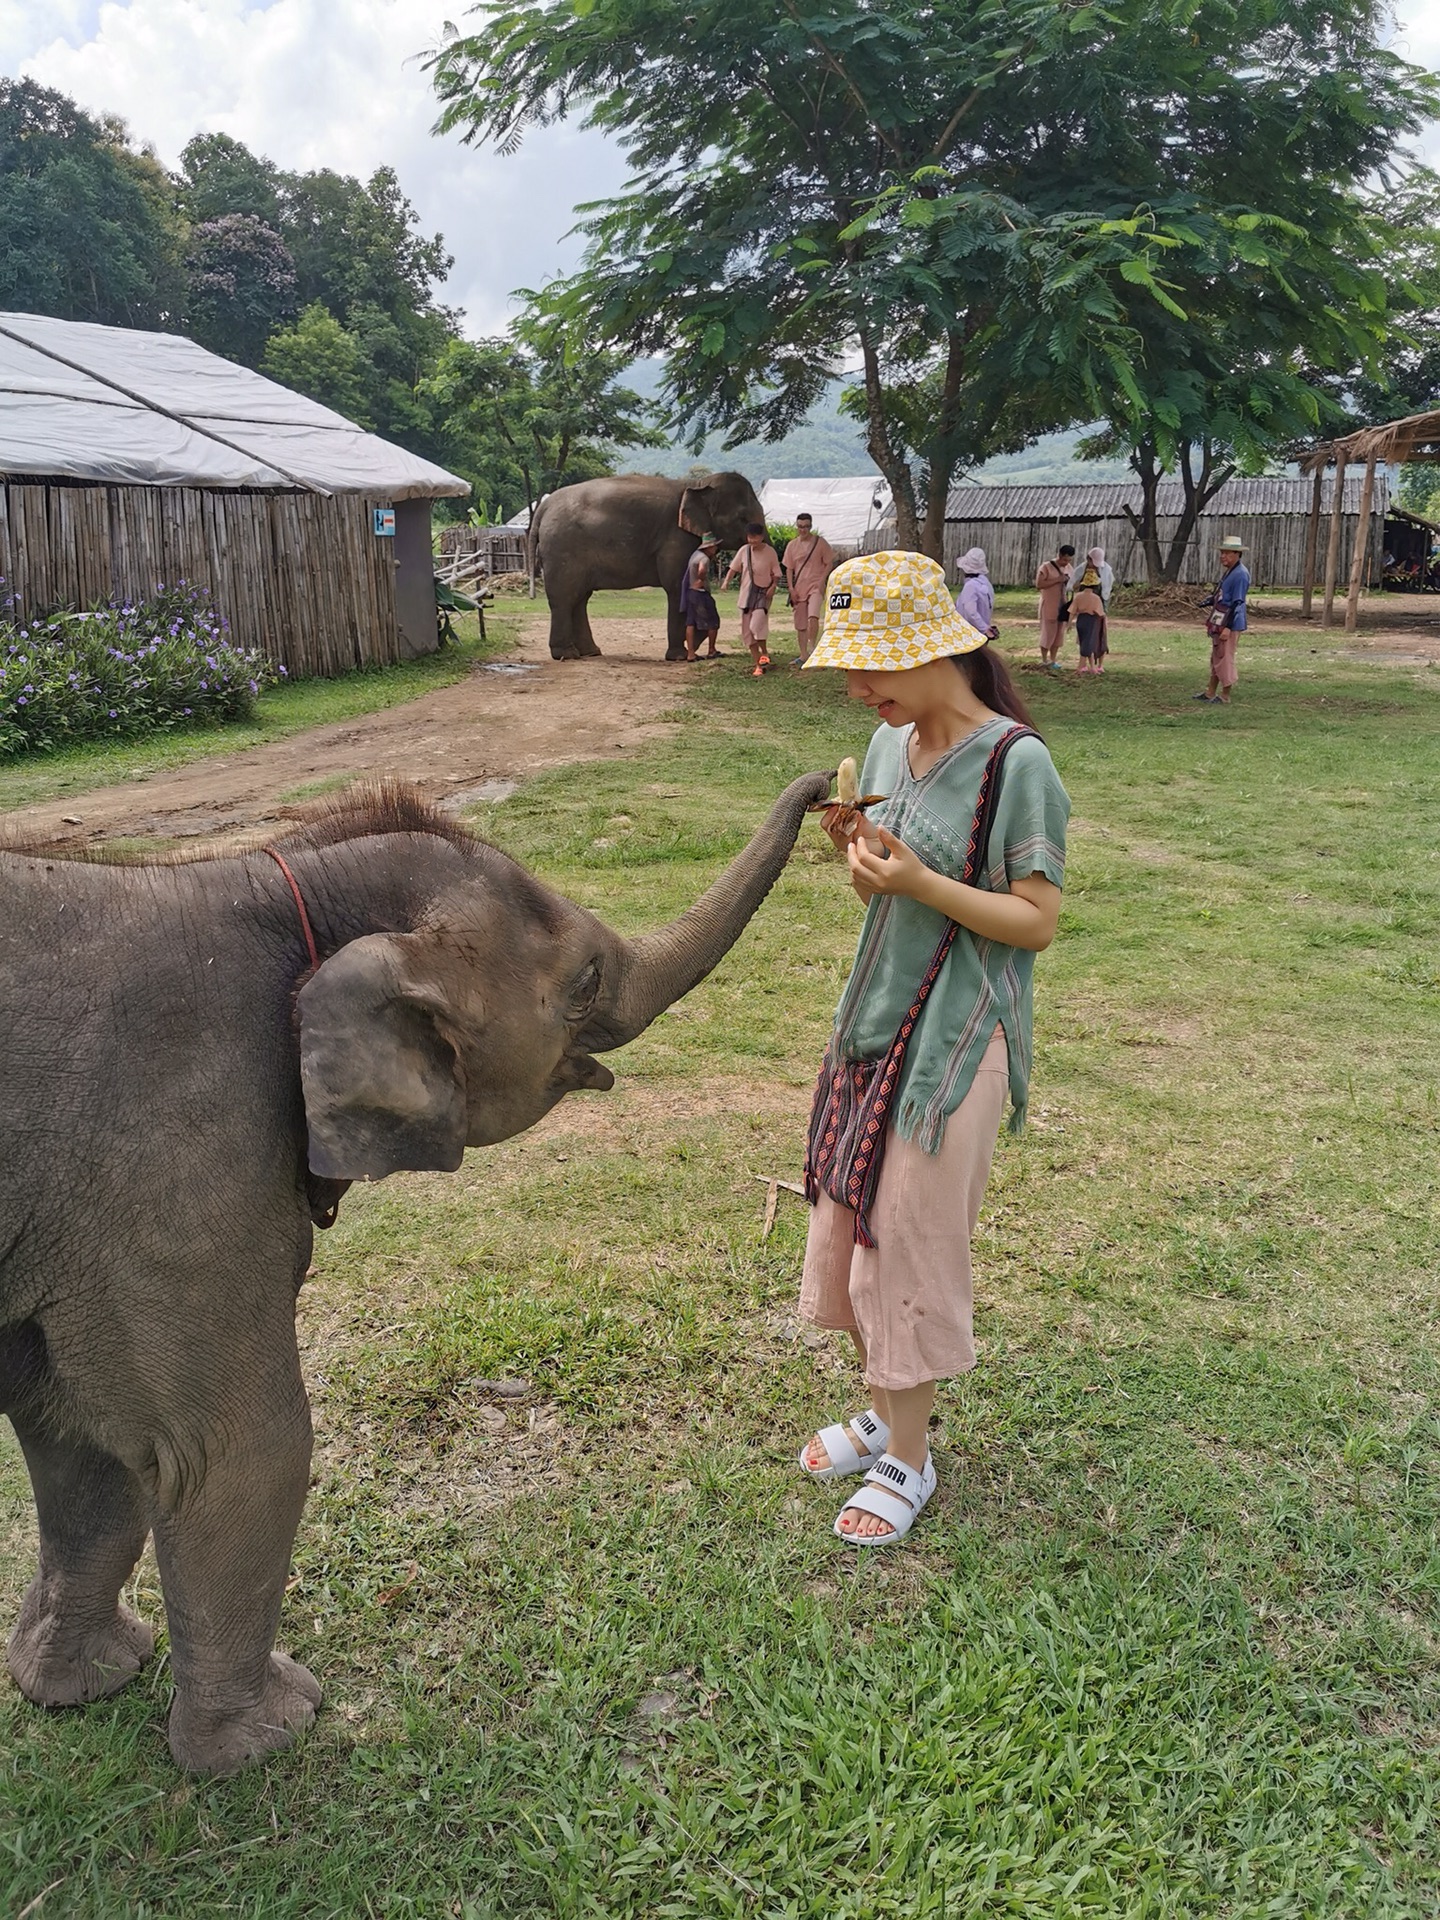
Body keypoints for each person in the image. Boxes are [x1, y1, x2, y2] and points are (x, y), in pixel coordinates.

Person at [796, 551, 1069, 1544]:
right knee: (857, 1218)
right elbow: (887, 884)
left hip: (956, 1043)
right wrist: (867, 869)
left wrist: (916, 884)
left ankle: (908, 1461)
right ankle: (889, 1414)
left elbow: (1034, 921)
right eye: (849, 672)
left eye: (871, 670)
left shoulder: (1015, 764)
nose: (857, 689)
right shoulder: (883, 750)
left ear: (934, 650)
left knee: (907, 1241)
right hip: (875, 1022)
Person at [1195, 535, 1250, 706]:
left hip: (1229, 622)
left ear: (1237, 554)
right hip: (1221, 619)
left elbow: (1237, 603)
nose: (1223, 556)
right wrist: (1210, 600)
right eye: (1222, 553)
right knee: (1217, 656)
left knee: (1225, 657)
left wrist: (1228, 627)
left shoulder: (1240, 574)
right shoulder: (1230, 572)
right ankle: (1210, 692)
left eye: (1226, 553)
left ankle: (1225, 695)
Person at [724, 521, 783, 676]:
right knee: (748, 634)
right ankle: (759, 663)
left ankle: (764, 653)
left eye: (755, 537)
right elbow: (733, 568)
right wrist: (726, 582)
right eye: (750, 537)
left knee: (756, 626)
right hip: (746, 595)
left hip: (762, 594)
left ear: (762, 537)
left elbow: (776, 573)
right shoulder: (744, 551)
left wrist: (772, 587)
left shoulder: (770, 552)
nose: (752, 541)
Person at [783, 512, 837, 662]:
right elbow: (789, 568)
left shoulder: (820, 543)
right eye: (800, 527)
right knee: (800, 623)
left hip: (815, 585)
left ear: (811, 526)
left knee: (813, 615)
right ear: (797, 526)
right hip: (799, 587)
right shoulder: (792, 545)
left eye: (806, 527)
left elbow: (829, 563)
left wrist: (821, 580)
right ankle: (803, 654)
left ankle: (812, 645)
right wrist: (791, 588)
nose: (803, 530)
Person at [679, 534, 723, 662]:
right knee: (713, 621)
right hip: (700, 592)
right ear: (709, 547)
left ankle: (691, 653)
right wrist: (701, 579)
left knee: (690, 622)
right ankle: (711, 650)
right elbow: (702, 570)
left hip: (691, 592)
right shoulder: (704, 558)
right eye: (714, 546)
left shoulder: (694, 555)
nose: (716, 549)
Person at [1068, 547, 1111, 674]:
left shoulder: (1106, 570)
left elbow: (1107, 591)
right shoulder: (1081, 569)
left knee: (1098, 637)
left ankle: (1096, 664)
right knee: (1086, 639)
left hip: (1097, 607)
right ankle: (1085, 665)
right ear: (1088, 559)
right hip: (1088, 612)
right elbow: (1071, 586)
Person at [1036, 543, 1075, 670]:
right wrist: (1058, 579)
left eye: (1069, 560)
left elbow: (1073, 583)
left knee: (1059, 633)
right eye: (1064, 559)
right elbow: (1039, 584)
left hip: (1062, 605)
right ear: (1059, 555)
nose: (1066, 563)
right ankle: (1044, 659)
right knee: (1048, 632)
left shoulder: (1069, 568)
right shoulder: (1046, 567)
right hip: (1049, 605)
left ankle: (1053, 660)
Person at [954, 547, 996, 637]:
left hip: (970, 633)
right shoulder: (986, 583)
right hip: (981, 629)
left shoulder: (970, 586)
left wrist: (984, 628)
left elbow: (970, 611)